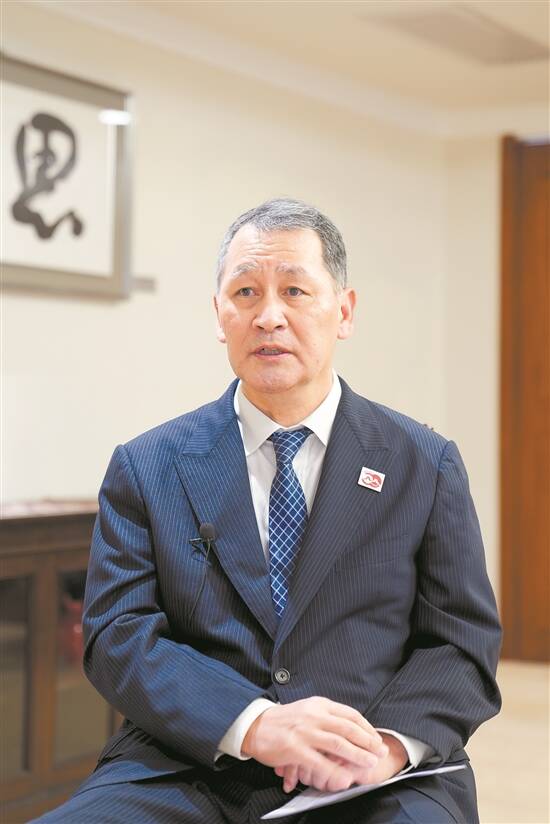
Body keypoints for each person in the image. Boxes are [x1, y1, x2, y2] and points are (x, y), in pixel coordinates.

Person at [36, 198, 501, 823]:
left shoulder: (423, 462)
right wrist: (255, 724)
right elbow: (118, 635)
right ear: (219, 314)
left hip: (372, 772)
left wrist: (386, 748)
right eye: (246, 292)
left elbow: (461, 642)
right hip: (189, 765)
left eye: (295, 291)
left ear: (344, 311)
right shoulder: (147, 465)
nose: (269, 317)